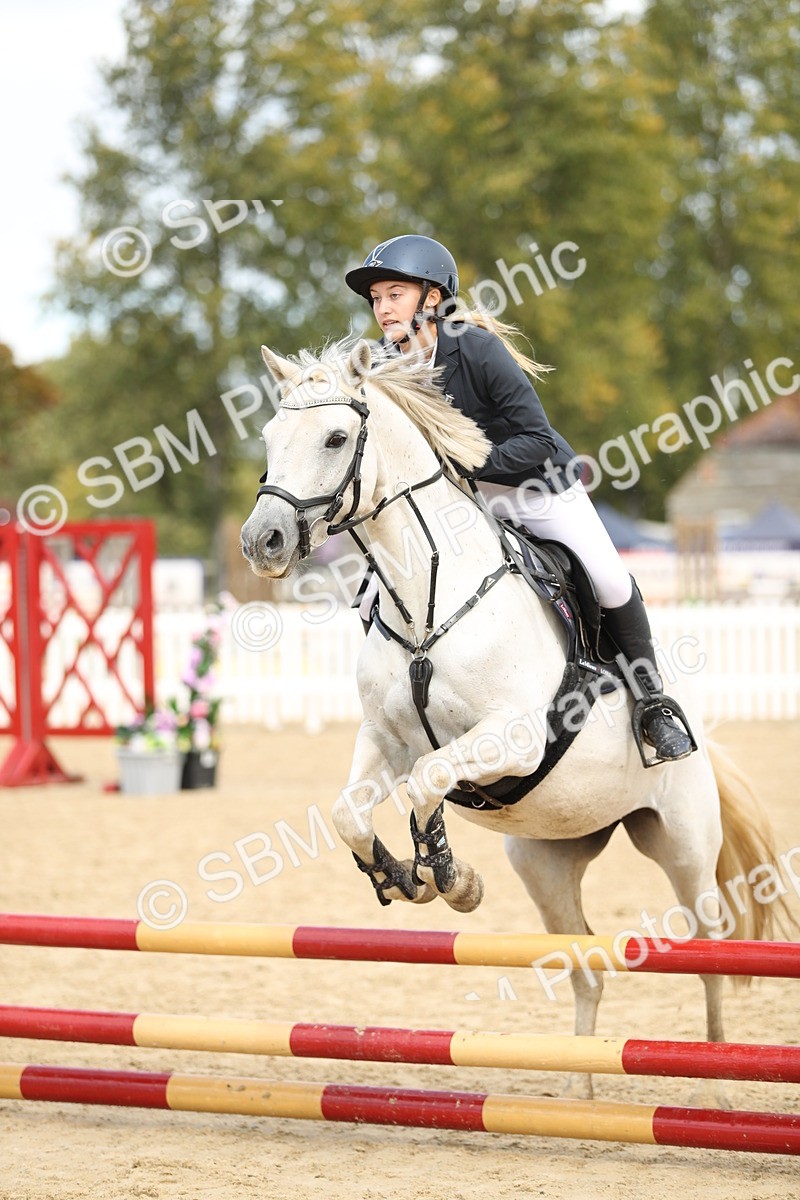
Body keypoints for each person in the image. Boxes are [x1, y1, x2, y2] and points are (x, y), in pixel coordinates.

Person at [345, 234, 694, 765]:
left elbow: (536, 437)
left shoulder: (476, 349)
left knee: (607, 578)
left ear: (432, 298)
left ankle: (653, 703)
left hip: (536, 485)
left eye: (395, 294)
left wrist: (468, 467)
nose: (383, 308)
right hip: (467, 504)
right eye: (377, 299)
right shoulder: (387, 369)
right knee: (377, 588)